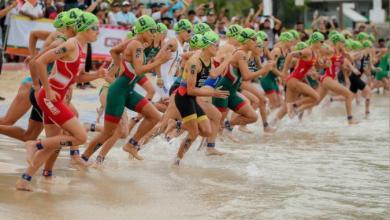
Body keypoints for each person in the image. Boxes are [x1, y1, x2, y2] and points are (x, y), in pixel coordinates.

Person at [16, 12, 104, 191]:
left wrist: (97, 75)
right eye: (95, 28)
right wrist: (46, 90)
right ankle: (34, 144)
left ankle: (25, 180)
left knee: (53, 143)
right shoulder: (70, 44)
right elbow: (40, 61)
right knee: (80, 136)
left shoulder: (82, 47)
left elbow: (75, 78)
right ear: (85, 28)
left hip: (57, 97)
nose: (98, 32)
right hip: (50, 98)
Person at [82, 15, 171, 162]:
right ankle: (84, 158)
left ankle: (131, 144)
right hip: (117, 91)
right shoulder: (136, 44)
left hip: (127, 90)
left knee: (155, 116)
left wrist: (120, 65)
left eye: (155, 31)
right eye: (151, 31)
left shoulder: (139, 43)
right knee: (109, 132)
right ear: (142, 31)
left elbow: (114, 51)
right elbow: (139, 69)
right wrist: (159, 61)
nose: (154, 34)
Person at [174, 31, 229, 164]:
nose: (218, 47)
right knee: (193, 134)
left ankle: (180, 125)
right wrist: (213, 93)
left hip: (192, 98)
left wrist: (228, 60)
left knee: (206, 131)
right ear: (207, 46)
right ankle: (177, 161)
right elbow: (191, 90)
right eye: (215, 45)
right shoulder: (195, 63)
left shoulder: (208, 58)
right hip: (183, 97)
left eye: (218, 44)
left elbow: (214, 74)